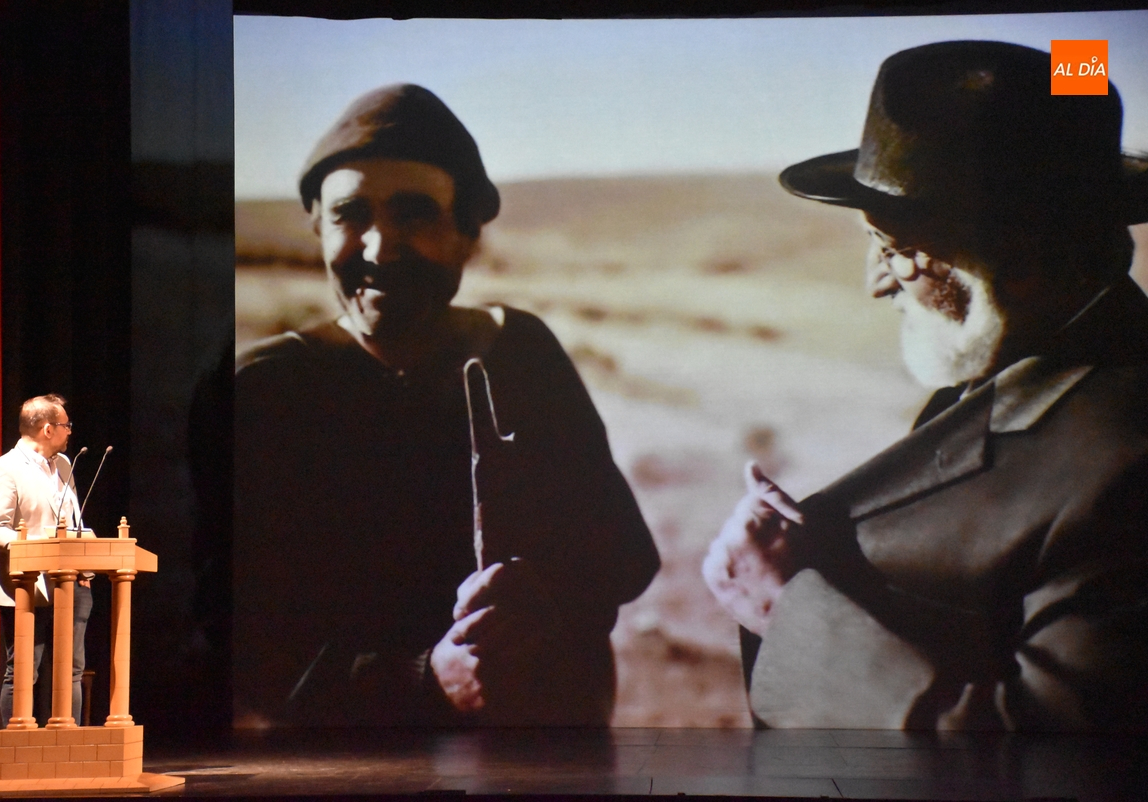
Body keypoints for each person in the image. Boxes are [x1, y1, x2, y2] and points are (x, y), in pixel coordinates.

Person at [704, 41, 1148, 731]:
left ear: (1022, 264)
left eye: (899, 251)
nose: (876, 283)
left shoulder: (1128, 459)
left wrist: (786, 611)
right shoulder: (1010, 373)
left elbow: (1057, 754)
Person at [235, 84, 660, 727]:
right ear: (319, 230)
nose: (380, 248)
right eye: (351, 214)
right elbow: (244, 646)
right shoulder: (270, 389)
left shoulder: (519, 354)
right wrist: (424, 679)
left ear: (466, 235)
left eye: (414, 214)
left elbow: (624, 557)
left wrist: (540, 597)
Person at [0, 394, 91, 728]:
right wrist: (37, 547)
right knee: (23, 669)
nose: (69, 431)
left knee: (71, 670)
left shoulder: (64, 465)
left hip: (69, 581)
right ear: (47, 429)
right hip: (27, 584)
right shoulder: (5, 470)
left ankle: (69, 745)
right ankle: (17, 746)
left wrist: (85, 566)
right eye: (65, 425)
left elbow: (72, 520)